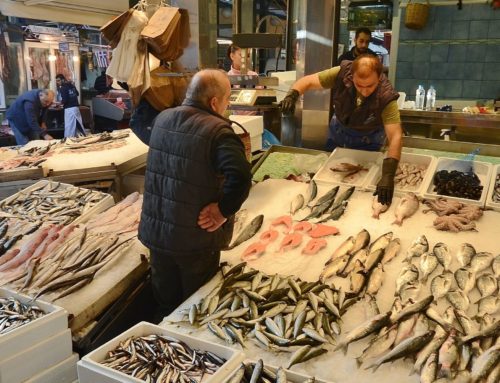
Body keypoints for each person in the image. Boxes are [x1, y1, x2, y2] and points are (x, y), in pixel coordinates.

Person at [138, 69, 252, 321]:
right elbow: (241, 175)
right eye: (227, 99)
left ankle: (162, 351)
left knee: (166, 306)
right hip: (195, 242)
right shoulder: (219, 131)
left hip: (157, 237)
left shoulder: (163, 119)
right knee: (195, 312)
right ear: (214, 102)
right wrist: (223, 211)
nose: (227, 105)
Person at [280, 54, 402, 206]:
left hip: (368, 139)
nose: (364, 91)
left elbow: (395, 135)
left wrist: (388, 175)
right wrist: (292, 95)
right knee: (330, 176)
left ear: (379, 77)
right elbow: (309, 81)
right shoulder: (342, 72)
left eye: (370, 86)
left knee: (360, 184)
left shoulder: (386, 96)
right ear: (352, 76)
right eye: (359, 85)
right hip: (338, 131)